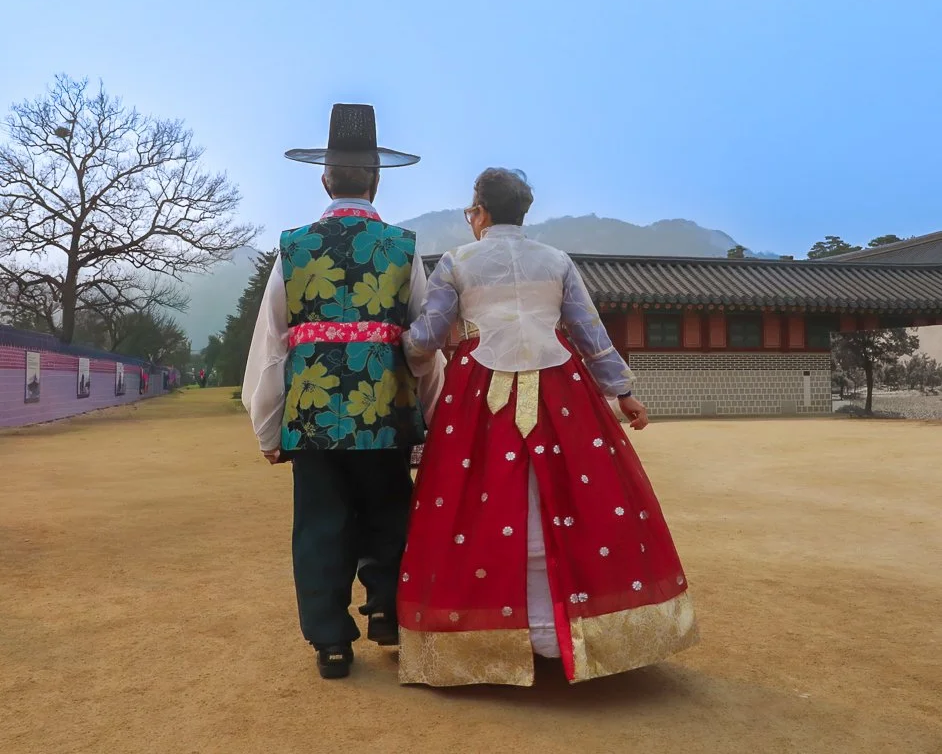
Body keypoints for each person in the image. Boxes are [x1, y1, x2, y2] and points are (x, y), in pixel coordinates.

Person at [398, 168, 698, 687]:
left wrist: (394, 345)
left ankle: (489, 638)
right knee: (569, 498)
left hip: (479, 395)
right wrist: (622, 393)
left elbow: (427, 336)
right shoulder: (556, 261)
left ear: (481, 213)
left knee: (478, 503)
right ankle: (573, 634)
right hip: (561, 389)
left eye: (472, 210)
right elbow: (589, 332)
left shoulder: (457, 261)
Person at [242, 104, 444, 680]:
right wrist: (427, 418)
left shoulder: (295, 247)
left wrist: (267, 424)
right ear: (376, 180)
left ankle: (331, 642)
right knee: (389, 513)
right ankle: (385, 608)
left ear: (324, 178)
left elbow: (273, 343)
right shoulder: (402, 249)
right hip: (385, 413)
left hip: (311, 416)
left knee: (319, 524)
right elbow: (422, 346)